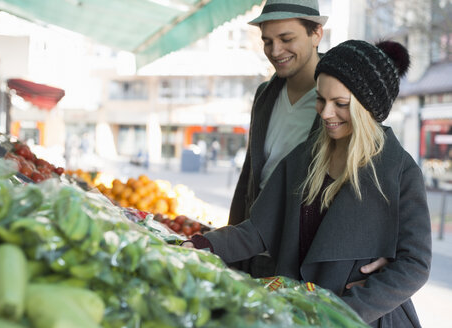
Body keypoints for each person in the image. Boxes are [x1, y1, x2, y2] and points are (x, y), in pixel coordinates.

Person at [184, 39, 432, 327]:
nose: (325, 113)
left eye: (340, 104)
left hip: (362, 318)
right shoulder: (305, 157)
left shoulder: (399, 172)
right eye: (320, 99)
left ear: (368, 108)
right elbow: (258, 230)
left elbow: (415, 262)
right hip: (298, 312)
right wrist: (202, 245)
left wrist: (343, 314)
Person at [228, 0, 386, 278]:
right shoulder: (264, 95)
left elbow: (376, 166)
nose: (275, 51)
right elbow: (250, 174)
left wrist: (386, 242)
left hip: (308, 259)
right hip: (255, 247)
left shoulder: (347, 94)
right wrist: (228, 248)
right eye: (267, 41)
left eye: (286, 39)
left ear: (316, 34)